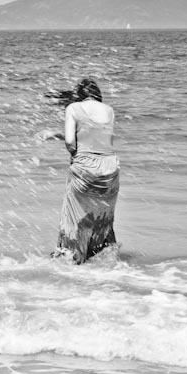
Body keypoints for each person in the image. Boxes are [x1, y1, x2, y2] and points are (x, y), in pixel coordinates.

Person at [54, 78, 119, 263]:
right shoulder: (109, 110)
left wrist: (75, 155)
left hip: (85, 168)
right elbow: (99, 140)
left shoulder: (73, 108)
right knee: (102, 216)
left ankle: (70, 261)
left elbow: (70, 142)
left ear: (78, 96)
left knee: (74, 217)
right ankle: (104, 258)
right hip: (110, 169)